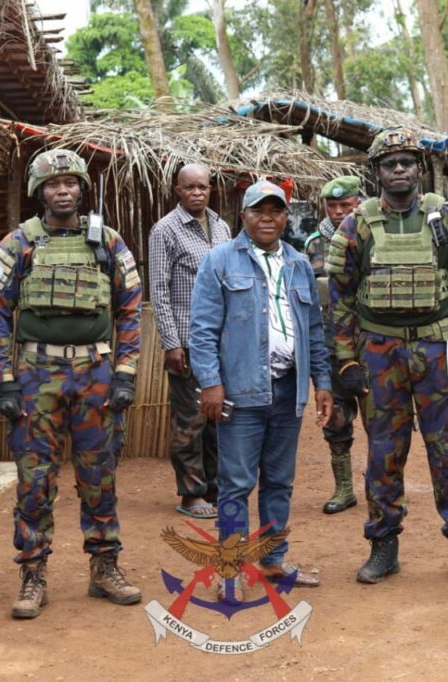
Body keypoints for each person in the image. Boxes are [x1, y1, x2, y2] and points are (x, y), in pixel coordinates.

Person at [328, 127, 448, 586]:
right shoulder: (357, 224)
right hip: (380, 352)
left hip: (442, 348)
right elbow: (340, 298)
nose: (398, 169)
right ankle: (383, 547)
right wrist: (347, 360)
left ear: (419, 169)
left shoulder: (446, 218)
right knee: (384, 452)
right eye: (389, 163)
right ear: (376, 171)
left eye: (406, 162)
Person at [0, 147, 143, 619]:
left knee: (100, 476)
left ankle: (105, 566)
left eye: (70, 183)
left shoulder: (108, 242)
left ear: (82, 188)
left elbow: (130, 310)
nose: (63, 191)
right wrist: (5, 381)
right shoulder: (19, 243)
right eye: (53, 184)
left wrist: (125, 373)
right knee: (35, 480)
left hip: (95, 373)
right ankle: (33, 573)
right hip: (38, 375)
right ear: (40, 191)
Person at [190, 180, 332, 599]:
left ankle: (272, 560)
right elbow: (202, 330)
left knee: (279, 481)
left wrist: (322, 381)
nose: (268, 218)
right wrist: (210, 383)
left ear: (286, 216)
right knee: (235, 483)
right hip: (240, 392)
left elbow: (314, 330)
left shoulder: (299, 263)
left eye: (276, 211)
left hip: (288, 390)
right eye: (259, 211)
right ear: (244, 216)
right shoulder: (219, 261)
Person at [148, 163, 231, 519]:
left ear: (211, 189)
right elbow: (159, 290)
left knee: (217, 418)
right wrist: (171, 343)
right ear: (177, 191)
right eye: (190, 187)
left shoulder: (222, 226)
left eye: (203, 187)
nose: (197, 193)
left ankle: (214, 488)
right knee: (190, 420)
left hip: (221, 340)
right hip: (186, 340)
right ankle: (191, 494)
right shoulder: (165, 230)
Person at [305, 175, 364, 514]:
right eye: (332, 206)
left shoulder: (372, 236)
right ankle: (344, 488)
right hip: (330, 343)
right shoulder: (314, 244)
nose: (339, 211)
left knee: (382, 418)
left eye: (346, 205)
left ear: (358, 203)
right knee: (336, 416)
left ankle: (383, 488)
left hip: (369, 340)